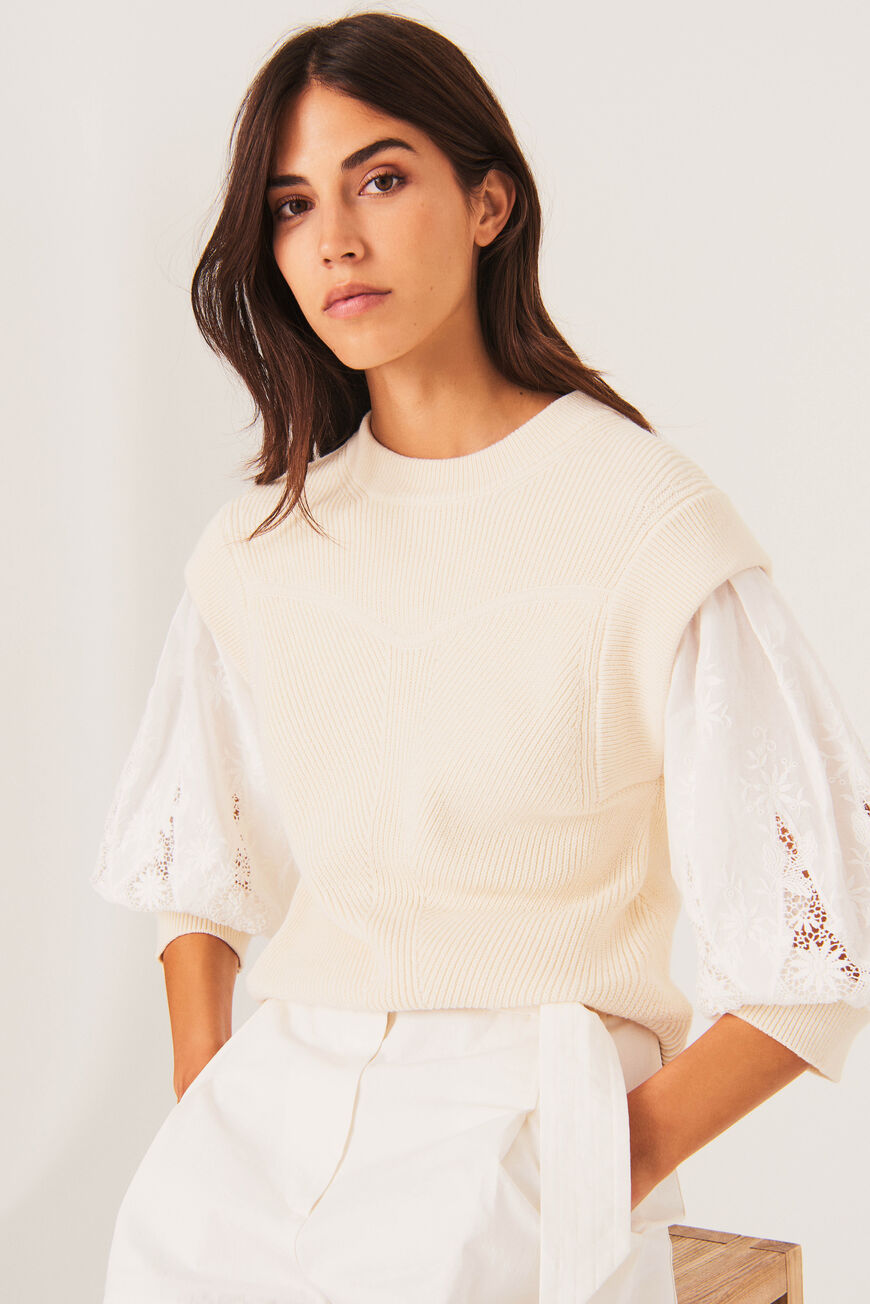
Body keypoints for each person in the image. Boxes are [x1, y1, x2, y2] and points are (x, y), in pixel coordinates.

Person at [90, 12, 870, 1304]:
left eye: (380, 179)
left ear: (489, 202)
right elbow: (195, 866)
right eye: (292, 205)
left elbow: (816, 951)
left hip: (531, 1110)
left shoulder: (644, 523)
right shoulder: (260, 546)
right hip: (267, 1120)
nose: (334, 241)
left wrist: (606, 1164)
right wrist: (204, 1098)